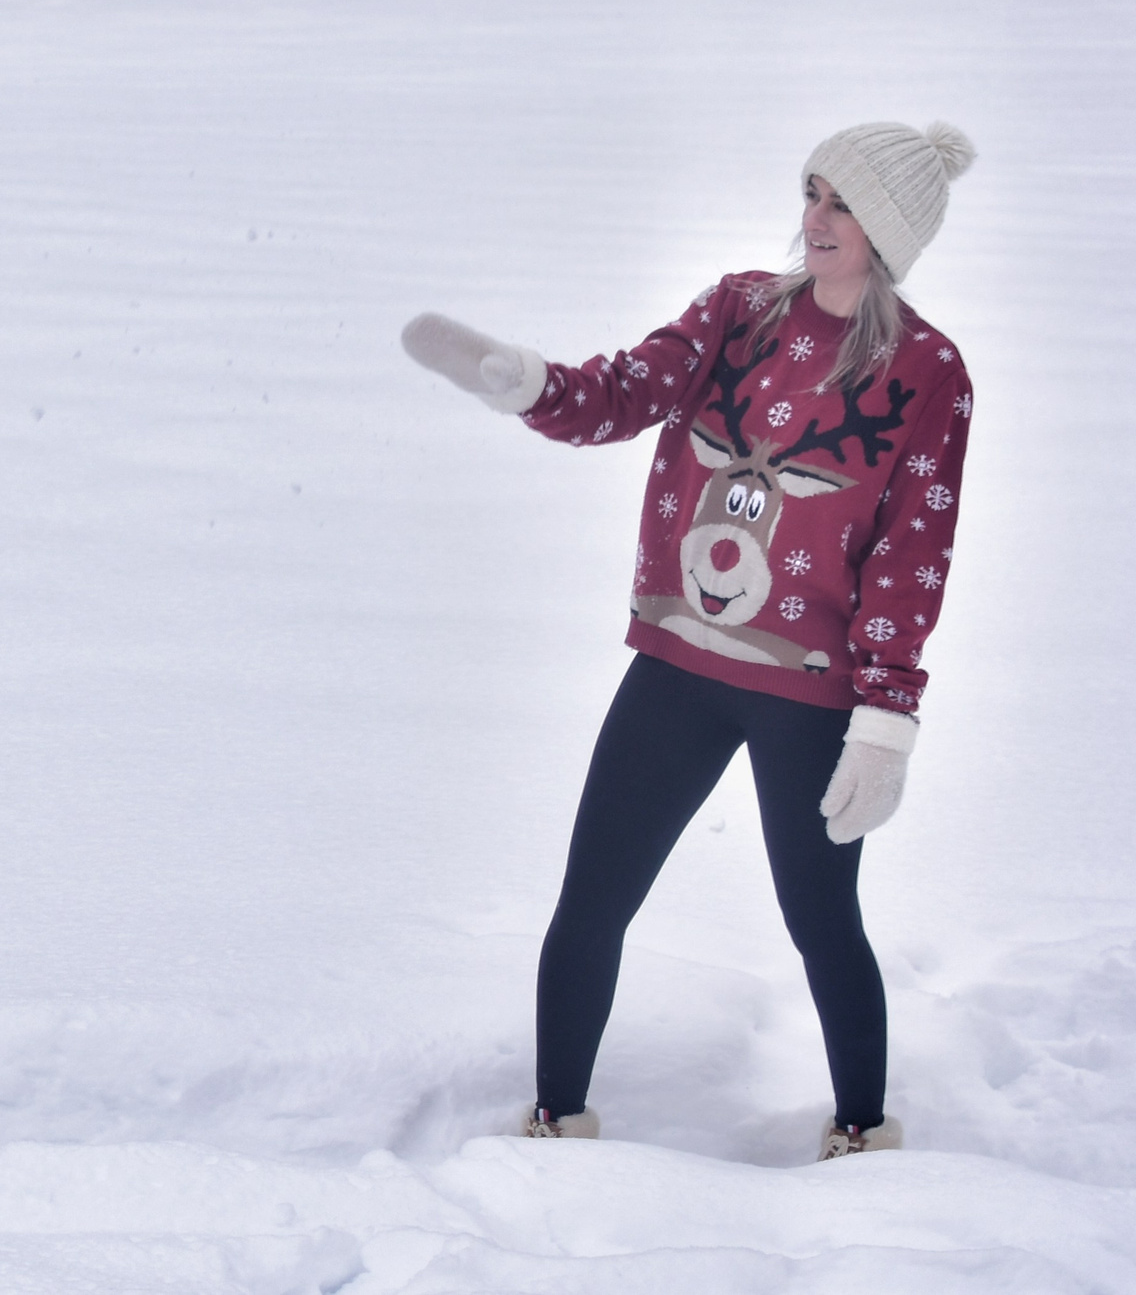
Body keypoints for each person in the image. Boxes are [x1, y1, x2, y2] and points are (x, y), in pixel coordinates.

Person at [402, 122, 976, 1162]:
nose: (812, 220)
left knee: (819, 923)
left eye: (839, 203)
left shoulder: (927, 374)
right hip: (675, 665)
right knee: (592, 900)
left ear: (888, 229)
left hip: (811, 695)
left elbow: (909, 549)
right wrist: (523, 382)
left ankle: (860, 1135)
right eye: (809, 193)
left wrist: (885, 719)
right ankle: (553, 1120)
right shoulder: (737, 312)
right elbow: (623, 394)